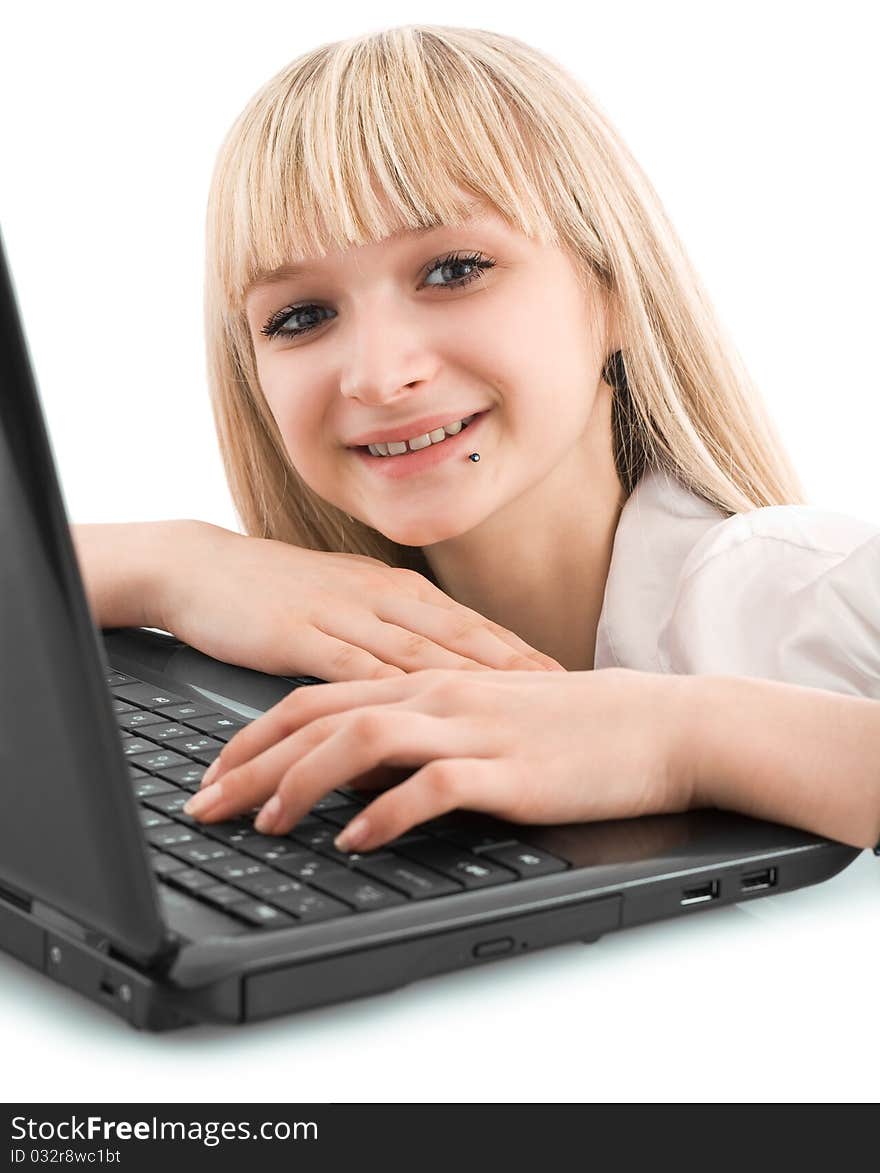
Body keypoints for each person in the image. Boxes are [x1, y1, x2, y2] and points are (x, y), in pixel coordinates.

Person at [72, 25, 880, 857]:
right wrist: (170, 564)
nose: (379, 377)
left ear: (615, 293)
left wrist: (678, 739)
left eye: (454, 269)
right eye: (302, 317)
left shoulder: (795, 593)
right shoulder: (288, 639)